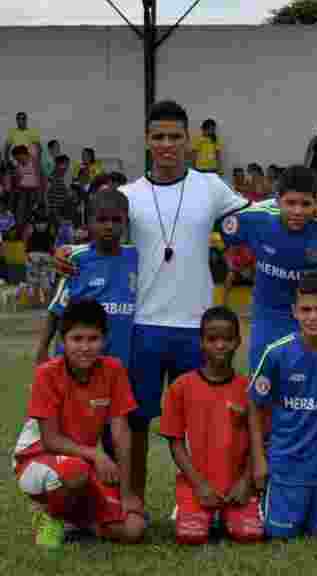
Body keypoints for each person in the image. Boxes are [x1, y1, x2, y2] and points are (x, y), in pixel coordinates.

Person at [55, 100, 250, 508]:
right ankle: (134, 499)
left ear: (188, 141)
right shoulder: (128, 196)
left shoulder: (210, 187)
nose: (166, 145)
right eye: (158, 137)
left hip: (197, 326)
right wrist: (68, 254)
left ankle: (196, 502)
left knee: (200, 424)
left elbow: (251, 220)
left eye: (174, 137)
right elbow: (99, 243)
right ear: (147, 140)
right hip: (143, 327)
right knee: (136, 421)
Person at [12, 299, 145, 548]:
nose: (85, 347)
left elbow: (121, 434)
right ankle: (50, 516)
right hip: (36, 458)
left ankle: (80, 521)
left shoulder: (113, 370)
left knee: (133, 530)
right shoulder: (47, 374)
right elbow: (50, 440)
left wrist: (127, 494)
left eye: (93, 339)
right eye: (77, 339)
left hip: (82, 461)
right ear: (63, 341)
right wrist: (95, 454)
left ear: (104, 339)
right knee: (75, 472)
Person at [217, 165, 317, 369]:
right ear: (277, 200)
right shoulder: (256, 220)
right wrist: (234, 259)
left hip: (311, 316)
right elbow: (217, 226)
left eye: (305, 204)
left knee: (308, 382)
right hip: (268, 314)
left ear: (316, 203)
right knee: (264, 375)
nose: (297, 211)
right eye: (290, 203)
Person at [249, 275, 317, 539]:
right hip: (287, 464)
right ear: (294, 312)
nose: (313, 317)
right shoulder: (276, 353)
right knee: (279, 535)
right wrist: (258, 460)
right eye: (306, 310)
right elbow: (255, 404)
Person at [160, 306, 263, 545]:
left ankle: (232, 514)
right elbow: (175, 443)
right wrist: (199, 485)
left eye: (227, 339)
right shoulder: (181, 387)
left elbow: (259, 442)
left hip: (237, 487)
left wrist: (245, 482)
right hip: (197, 486)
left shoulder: (248, 389)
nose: (220, 345)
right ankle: (189, 508)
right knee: (191, 536)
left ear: (238, 341)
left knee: (249, 535)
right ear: (201, 342)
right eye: (212, 339)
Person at [38, 189, 137, 367]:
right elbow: (56, 308)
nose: (109, 226)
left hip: (119, 356)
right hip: (77, 357)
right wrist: (43, 347)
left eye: (116, 220)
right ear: (89, 223)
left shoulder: (135, 257)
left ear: (126, 223)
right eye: (102, 220)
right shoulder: (75, 259)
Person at [24, 203, 56, 307]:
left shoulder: (31, 223)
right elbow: (53, 238)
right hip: (46, 254)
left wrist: (26, 251)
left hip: (33, 254)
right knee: (46, 279)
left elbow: (26, 237)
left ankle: (34, 303)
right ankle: (47, 304)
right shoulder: (50, 223)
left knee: (33, 281)